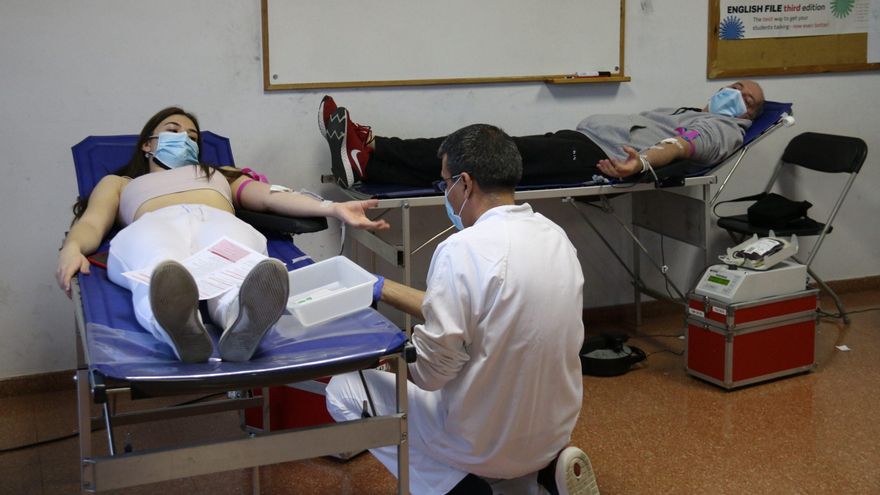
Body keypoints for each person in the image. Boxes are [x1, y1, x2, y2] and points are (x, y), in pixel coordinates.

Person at [325, 124, 599, 495]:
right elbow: (491, 312)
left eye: (445, 184)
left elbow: (431, 374)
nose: (446, 195)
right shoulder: (556, 238)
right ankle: (536, 480)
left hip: (480, 442)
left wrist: (394, 359)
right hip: (552, 433)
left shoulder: (462, 249)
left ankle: (458, 489)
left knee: (344, 390)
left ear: (465, 184)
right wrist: (383, 288)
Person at [55, 107, 390, 363]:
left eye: (192, 136)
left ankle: (240, 322)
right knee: (159, 265)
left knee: (239, 268)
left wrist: (332, 208)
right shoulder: (121, 183)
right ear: (147, 144)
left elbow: (272, 196)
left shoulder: (220, 175)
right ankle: (178, 328)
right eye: (172, 131)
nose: (184, 138)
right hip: (154, 223)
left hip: (217, 221)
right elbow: (92, 223)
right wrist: (72, 247)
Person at [319, 80, 765, 188]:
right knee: (477, 149)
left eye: (746, 97)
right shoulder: (691, 108)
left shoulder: (725, 128)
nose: (734, 93)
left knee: (476, 150)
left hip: (593, 157)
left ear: (749, 114)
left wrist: (643, 162)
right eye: (735, 85)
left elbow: (685, 146)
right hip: (578, 141)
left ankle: (370, 158)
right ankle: (370, 154)